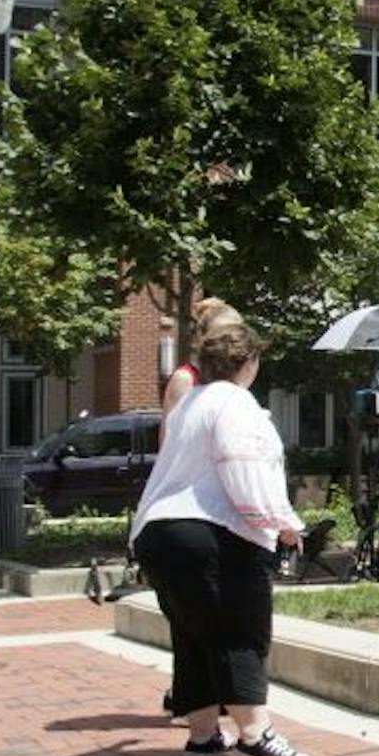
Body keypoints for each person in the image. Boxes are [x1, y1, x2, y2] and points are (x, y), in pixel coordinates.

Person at [130, 321, 311, 756]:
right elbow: (241, 466)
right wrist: (282, 522)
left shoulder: (190, 403)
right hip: (210, 533)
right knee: (239, 627)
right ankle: (255, 732)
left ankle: (204, 733)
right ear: (249, 362)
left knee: (192, 633)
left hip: (159, 532)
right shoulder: (235, 403)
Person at [156, 295, 242, 719]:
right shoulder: (187, 381)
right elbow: (172, 450)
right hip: (190, 506)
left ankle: (207, 696)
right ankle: (194, 696)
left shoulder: (230, 384)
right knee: (193, 611)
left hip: (222, 508)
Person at [160, 297, 242, 442]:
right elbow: (168, 442)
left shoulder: (236, 379)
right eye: (222, 338)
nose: (230, 345)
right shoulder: (185, 379)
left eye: (236, 337)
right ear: (202, 339)